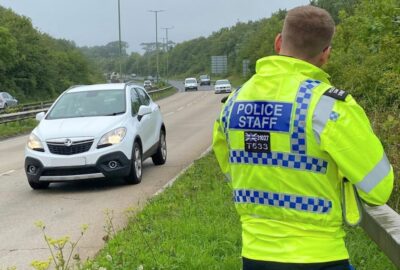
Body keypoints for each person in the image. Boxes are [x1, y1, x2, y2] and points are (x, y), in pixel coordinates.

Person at [212, 5, 394, 270]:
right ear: (326, 55)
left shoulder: (234, 102)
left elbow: (230, 166)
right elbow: (379, 189)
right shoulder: (331, 107)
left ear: (278, 42)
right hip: (321, 258)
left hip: (254, 256)